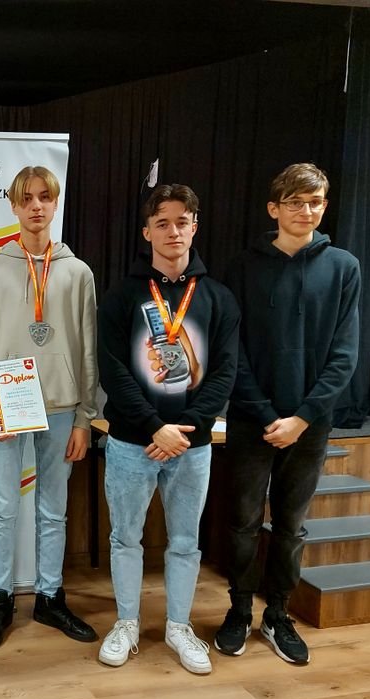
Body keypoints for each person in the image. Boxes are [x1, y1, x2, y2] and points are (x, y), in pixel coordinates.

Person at [216, 163, 360, 665]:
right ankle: (239, 609)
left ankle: (278, 614)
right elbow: (231, 350)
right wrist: (262, 413)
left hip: (310, 423)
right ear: (274, 208)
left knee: (292, 525)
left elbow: (345, 354)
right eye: (295, 202)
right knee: (242, 521)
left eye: (315, 202)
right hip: (250, 419)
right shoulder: (241, 267)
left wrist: (301, 418)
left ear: (325, 206)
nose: (306, 211)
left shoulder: (344, 267)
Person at [96, 184, 239, 674]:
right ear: (147, 232)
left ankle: (179, 625)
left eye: (182, 222)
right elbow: (113, 371)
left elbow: (224, 372)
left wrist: (186, 430)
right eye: (162, 223)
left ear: (194, 227)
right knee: (125, 538)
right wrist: (155, 427)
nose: (173, 231)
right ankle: (127, 623)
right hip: (131, 443)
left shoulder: (218, 298)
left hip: (192, 447)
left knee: (184, 541)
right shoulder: (121, 296)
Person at [0, 165, 100, 650]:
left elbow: (88, 350)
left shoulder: (78, 272)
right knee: (2, 508)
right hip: (8, 407)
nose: (36, 206)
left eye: (45, 197)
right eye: (27, 198)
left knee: (53, 510)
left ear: (55, 202)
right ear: (14, 206)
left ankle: (49, 597)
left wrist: (85, 416)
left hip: (62, 407)